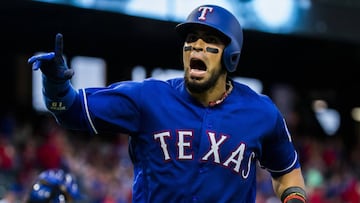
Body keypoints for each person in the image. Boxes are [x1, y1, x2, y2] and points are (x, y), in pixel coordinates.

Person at [28, 4, 307, 203]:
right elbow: (72, 111)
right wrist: (55, 85)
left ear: (230, 55)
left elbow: (287, 172)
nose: (196, 46)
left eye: (210, 40)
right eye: (191, 39)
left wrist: (294, 198)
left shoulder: (261, 112)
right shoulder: (148, 98)